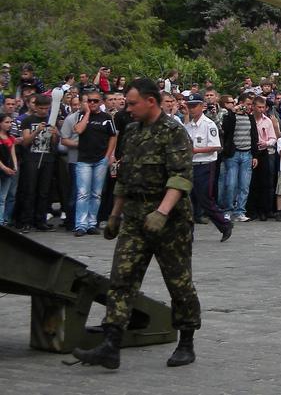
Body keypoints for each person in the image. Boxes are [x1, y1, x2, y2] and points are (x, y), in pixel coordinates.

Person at [71, 78, 201, 370]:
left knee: (179, 282)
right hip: (134, 215)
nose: (127, 109)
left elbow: (180, 177)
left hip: (171, 219)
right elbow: (124, 178)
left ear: (150, 101)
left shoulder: (174, 133)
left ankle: (186, 342)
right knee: (121, 278)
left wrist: (162, 212)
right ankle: (111, 344)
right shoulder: (131, 131)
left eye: (132, 104)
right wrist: (115, 215)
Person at [183, 97, 231, 241]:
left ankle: (224, 225)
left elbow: (216, 146)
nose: (191, 109)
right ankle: (187, 232)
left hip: (205, 165)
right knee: (187, 200)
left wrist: (196, 151)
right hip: (190, 165)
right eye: (189, 106)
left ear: (202, 106)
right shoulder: (188, 125)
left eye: (194, 106)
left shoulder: (209, 124)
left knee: (205, 199)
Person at [71, 89, 117, 236]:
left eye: (95, 101)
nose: (92, 103)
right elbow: (78, 130)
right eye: (89, 101)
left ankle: (92, 223)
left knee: (96, 194)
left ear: (101, 102)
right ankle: (80, 224)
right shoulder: (81, 116)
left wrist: (108, 155)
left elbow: (113, 136)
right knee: (83, 193)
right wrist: (88, 114)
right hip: (84, 160)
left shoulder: (107, 117)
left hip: (100, 160)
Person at [15, 94, 57, 231]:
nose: (44, 111)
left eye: (46, 108)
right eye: (41, 108)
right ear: (35, 107)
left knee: (44, 191)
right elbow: (25, 141)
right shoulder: (28, 120)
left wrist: (55, 134)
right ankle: (26, 220)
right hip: (31, 158)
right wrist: (37, 131)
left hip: (47, 158)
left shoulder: (52, 119)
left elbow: (55, 144)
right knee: (30, 190)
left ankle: (41, 220)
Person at [220, 94, 257, 222]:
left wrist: (255, 155)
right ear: (240, 103)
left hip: (247, 154)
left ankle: (240, 211)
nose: (248, 106)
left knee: (244, 185)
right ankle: (228, 210)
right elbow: (226, 129)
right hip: (233, 154)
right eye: (246, 104)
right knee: (231, 184)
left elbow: (254, 136)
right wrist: (233, 112)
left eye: (250, 104)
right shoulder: (231, 116)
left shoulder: (250, 117)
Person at [0, 114, 18, 227]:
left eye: (10, 122)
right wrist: (4, 168)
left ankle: (3, 219)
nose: (9, 125)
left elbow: (13, 153)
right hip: (3, 168)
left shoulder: (11, 137)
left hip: (8, 170)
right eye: (6, 122)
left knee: (4, 197)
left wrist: (15, 166)